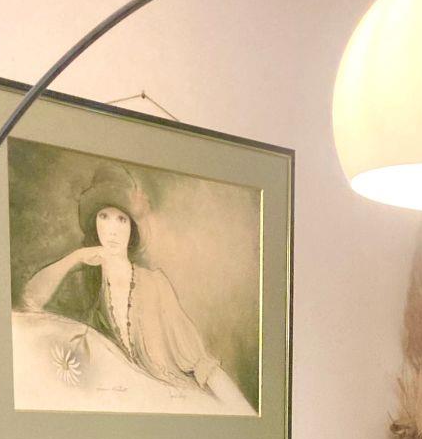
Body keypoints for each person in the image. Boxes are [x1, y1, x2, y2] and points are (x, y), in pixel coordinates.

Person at [20, 162, 254, 413]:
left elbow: (200, 363)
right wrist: (74, 258)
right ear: (94, 222)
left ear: (132, 228)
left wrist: (244, 412)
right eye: (104, 216)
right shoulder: (82, 282)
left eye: (122, 219)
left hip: (168, 400)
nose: (112, 229)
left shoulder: (155, 284)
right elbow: (29, 302)